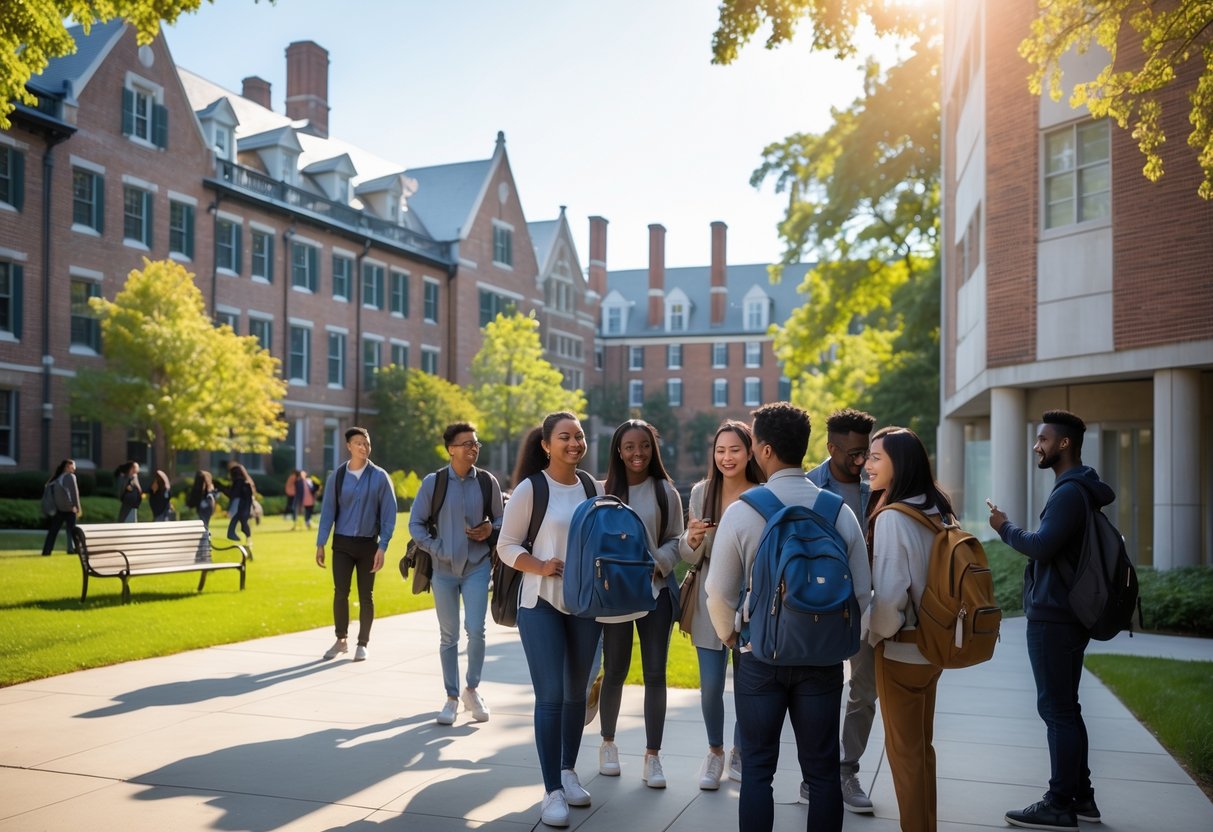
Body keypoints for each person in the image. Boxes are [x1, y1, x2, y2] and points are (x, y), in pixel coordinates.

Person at [704, 402, 871, 832]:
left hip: (761, 657)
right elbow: (861, 591)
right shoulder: (839, 511)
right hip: (822, 660)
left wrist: (730, 635)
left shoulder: (744, 510)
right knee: (821, 771)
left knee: (758, 769)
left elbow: (718, 592)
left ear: (764, 450)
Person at [990, 410, 1110, 832]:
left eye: (1043, 439)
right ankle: (1083, 798)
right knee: (1066, 709)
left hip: (1055, 617)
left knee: (1057, 710)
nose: (1037, 446)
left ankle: (1059, 803)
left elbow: (1041, 547)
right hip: (1065, 615)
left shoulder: (1068, 493)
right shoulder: (1078, 489)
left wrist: (1004, 527)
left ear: (1064, 444)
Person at [496, 413, 604, 828]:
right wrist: (540, 566)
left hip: (584, 604)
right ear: (546, 444)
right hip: (539, 602)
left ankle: (568, 772)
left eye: (579, 436)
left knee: (577, 694)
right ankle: (551, 792)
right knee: (552, 695)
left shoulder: (593, 487)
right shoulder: (531, 488)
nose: (574, 443)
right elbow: (506, 545)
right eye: (565, 437)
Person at [864, 426, 951, 832]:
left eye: (876, 457)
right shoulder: (939, 508)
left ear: (900, 463)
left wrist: (873, 636)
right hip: (936, 645)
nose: (867, 464)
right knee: (923, 748)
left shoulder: (892, 516)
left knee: (904, 755)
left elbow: (889, 595)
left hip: (901, 649)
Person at [595, 419, 685, 789]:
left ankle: (653, 757)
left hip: (655, 593)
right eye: (630, 446)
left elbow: (678, 540)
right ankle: (608, 744)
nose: (638, 453)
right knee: (614, 670)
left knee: (655, 675)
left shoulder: (666, 491)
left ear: (653, 448)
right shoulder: (601, 492)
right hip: (614, 598)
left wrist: (656, 564)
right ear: (618, 450)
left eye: (644, 445)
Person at [679, 420, 765, 789]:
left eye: (735, 450)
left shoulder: (763, 495)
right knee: (711, 686)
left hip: (751, 603)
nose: (727, 457)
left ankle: (740, 751)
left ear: (749, 452)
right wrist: (692, 539)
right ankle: (715, 751)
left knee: (748, 685)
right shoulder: (701, 493)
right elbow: (688, 555)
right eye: (720, 450)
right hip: (708, 600)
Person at [805, 408, 877, 812]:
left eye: (865, 451)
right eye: (852, 453)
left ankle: (846, 770)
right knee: (818, 694)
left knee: (864, 692)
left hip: (866, 606)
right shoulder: (811, 487)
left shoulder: (879, 485)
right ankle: (813, 774)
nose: (861, 460)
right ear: (831, 447)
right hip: (822, 608)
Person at [410, 421, 504, 726]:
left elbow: (504, 522)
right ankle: (451, 697)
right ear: (451, 450)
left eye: (476, 443)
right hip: (443, 571)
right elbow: (416, 525)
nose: (473, 448)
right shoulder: (433, 483)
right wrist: (438, 549)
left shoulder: (488, 482)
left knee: (476, 630)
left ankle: (471, 690)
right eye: (467, 444)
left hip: (477, 567)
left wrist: (491, 529)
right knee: (448, 636)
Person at [315, 427, 397, 662]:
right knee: (340, 592)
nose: (364, 447)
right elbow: (328, 510)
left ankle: (362, 643)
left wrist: (383, 546)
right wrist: (321, 543)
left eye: (367, 443)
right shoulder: (338, 476)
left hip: (367, 545)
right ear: (349, 446)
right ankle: (341, 640)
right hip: (341, 544)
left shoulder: (380, 476)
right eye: (358, 443)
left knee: (366, 595)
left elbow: (389, 515)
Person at [41, 459, 81, 556]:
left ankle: (47, 551)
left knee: (53, 531)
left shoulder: (57, 478)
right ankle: (71, 549)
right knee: (71, 531)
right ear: (67, 467)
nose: (74, 469)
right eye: (72, 467)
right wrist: (77, 507)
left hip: (59, 509)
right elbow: (74, 493)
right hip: (70, 509)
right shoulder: (71, 477)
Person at [226, 464, 255, 543]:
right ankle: (248, 539)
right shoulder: (246, 483)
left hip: (239, 506)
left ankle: (246, 539)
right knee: (243, 524)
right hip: (244, 507)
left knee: (240, 523)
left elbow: (233, 494)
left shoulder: (239, 482)